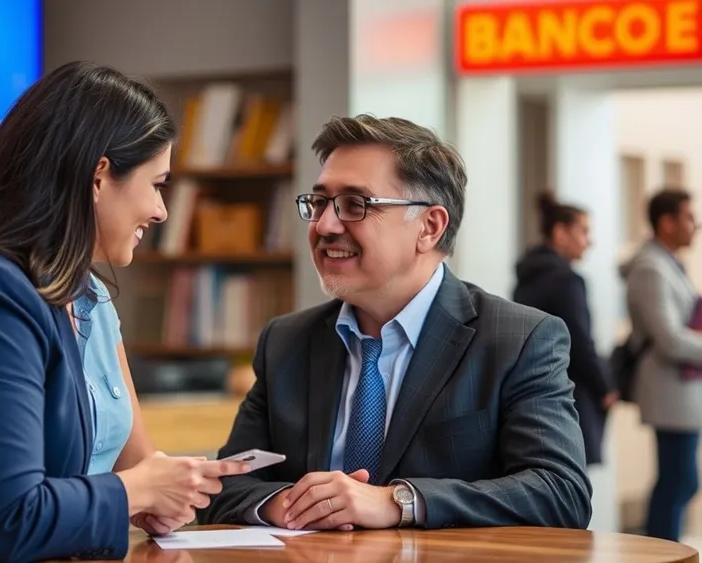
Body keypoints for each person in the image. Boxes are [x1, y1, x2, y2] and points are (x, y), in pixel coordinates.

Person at [0, 61, 249, 562]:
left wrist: (160, 493)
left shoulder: (83, 295)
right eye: (156, 183)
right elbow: (6, 520)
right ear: (99, 176)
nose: (162, 211)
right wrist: (136, 492)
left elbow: (132, 469)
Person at [198, 114, 591, 532]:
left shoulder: (518, 339)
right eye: (318, 203)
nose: (325, 226)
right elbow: (225, 484)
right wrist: (291, 505)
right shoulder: (286, 341)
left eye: (355, 204)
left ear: (429, 226)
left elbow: (560, 492)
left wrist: (397, 502)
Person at [621, 188, 702, 542]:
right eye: (688, 217)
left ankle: (663, 548)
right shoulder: (651, 268)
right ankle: (660, 552)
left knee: (681, 479)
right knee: (677, 480)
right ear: (666, 222)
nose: (695, 225)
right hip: (670, 391)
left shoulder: (668, 263)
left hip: (682, 389)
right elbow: (668, 337)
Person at [512, 192, 617, 466]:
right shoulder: (568, 281)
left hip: (533, 394)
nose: (589, 241)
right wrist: (605, 388)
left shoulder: (527, 278)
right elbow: (580, 343)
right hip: (571, 395)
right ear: (560, 233)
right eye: (583, 231)